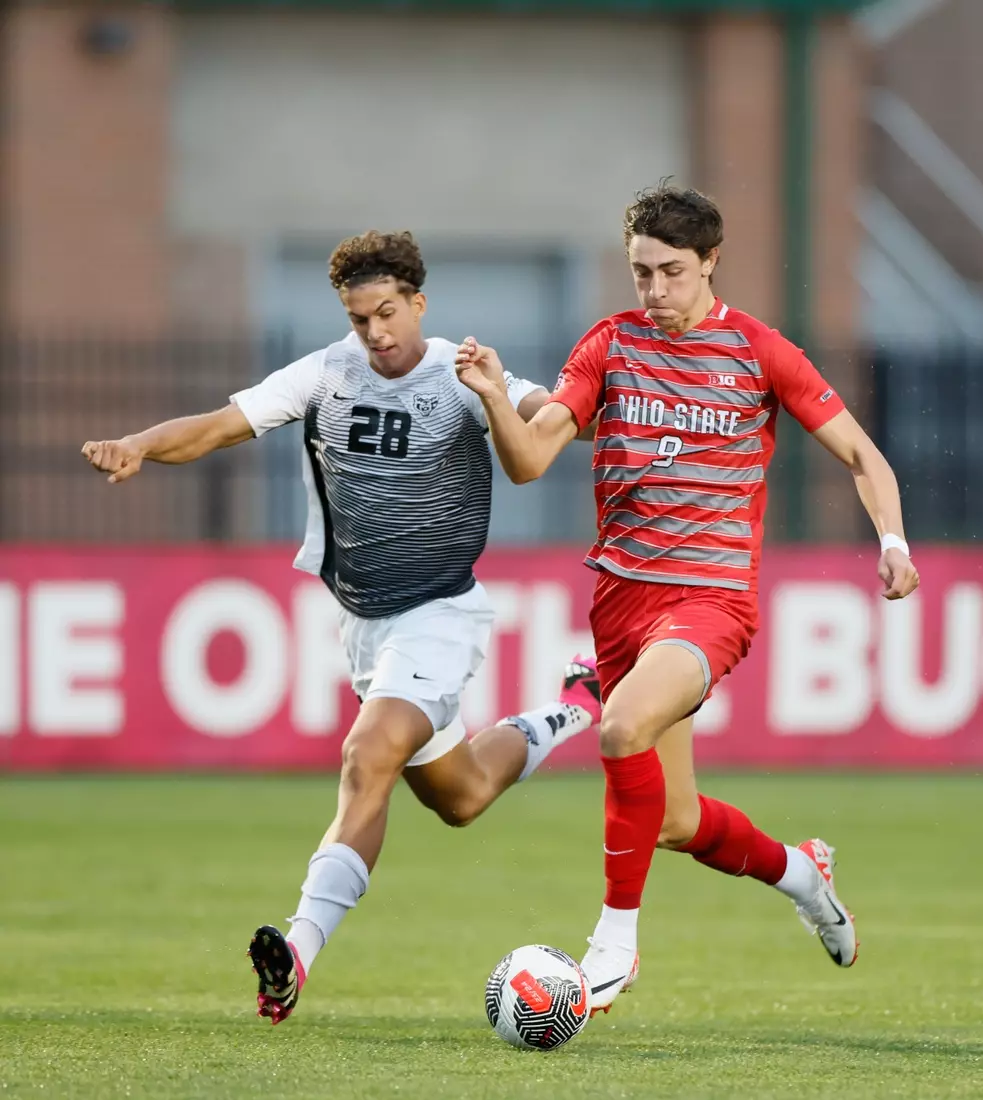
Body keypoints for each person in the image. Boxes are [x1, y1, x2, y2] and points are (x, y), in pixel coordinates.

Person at [81, 230, 601, 1025]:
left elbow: (551, 438)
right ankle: (574, 709)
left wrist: (500, 394)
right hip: (363, 625)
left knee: (366, 754)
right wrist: (140, 447)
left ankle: (297, 951)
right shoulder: (327, 372)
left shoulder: (465, 378)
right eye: (361, 320)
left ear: (419, 303)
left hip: (440, 614)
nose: (376, 333)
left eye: (388, 313)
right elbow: (222, 425)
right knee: (459, 796)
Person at [455, 182, 920, 1012]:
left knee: (622, 724)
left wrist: (891, 541)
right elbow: (529, 460)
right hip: (620, 604)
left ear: (710, 262)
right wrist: (495, 395)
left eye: (672, 272)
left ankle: (614, 948)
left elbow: (861, 454)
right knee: (670, 821)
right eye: (641, 274)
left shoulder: (761, 353)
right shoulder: (609, 346)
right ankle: (800, 873)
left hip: (710, 602)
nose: (656, 292)